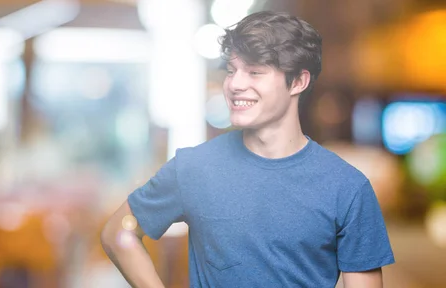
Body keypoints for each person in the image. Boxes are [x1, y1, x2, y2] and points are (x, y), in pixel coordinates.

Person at [101, 10, 394, 288]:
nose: (235, 84)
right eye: (232, 70)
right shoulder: (194, 168)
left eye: (254, 72)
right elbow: (121, 232)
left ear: (299, 81)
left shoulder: (347, 187)